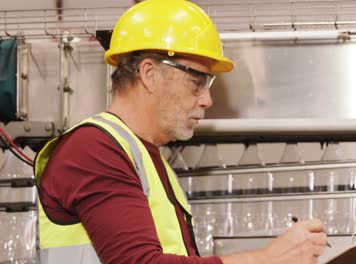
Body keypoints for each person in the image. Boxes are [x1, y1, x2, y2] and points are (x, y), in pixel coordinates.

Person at [34, 0, 328, 263]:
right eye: (196, 80)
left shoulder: (150, 161)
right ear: (150, 74)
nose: (207, 100)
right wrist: (268, 259)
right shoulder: (94, 148)